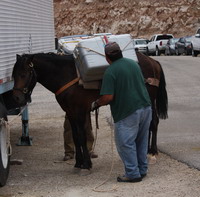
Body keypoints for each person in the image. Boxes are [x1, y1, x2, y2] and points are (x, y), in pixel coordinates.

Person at [91, 42, 152, 183]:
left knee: (125, 143)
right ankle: (142, 170)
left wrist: (96, 103)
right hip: (145, 108)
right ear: (121, 52)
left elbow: (108, 97)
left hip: (127, 112)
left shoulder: (110, 72)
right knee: (141, 141)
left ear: (107, 57)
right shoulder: (133, 64)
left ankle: (132, 174)